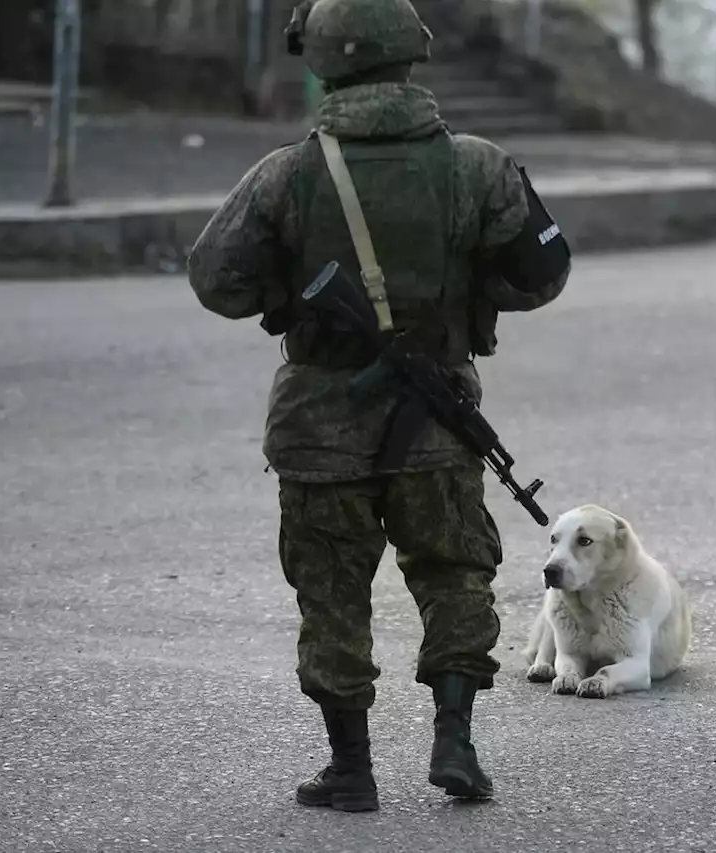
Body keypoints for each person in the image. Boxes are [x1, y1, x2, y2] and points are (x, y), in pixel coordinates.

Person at [185, 0, 571, 812]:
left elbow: (215, 278)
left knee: (332, 590)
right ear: (413, 58)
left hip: (318, 427)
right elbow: (543, 270)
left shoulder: (286, 173)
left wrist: (292, 299)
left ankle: (351, 767)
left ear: (321, 63)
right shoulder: (477, 166)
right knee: (454, 572)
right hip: (436, 423)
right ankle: (455, 738)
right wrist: (467, 302)